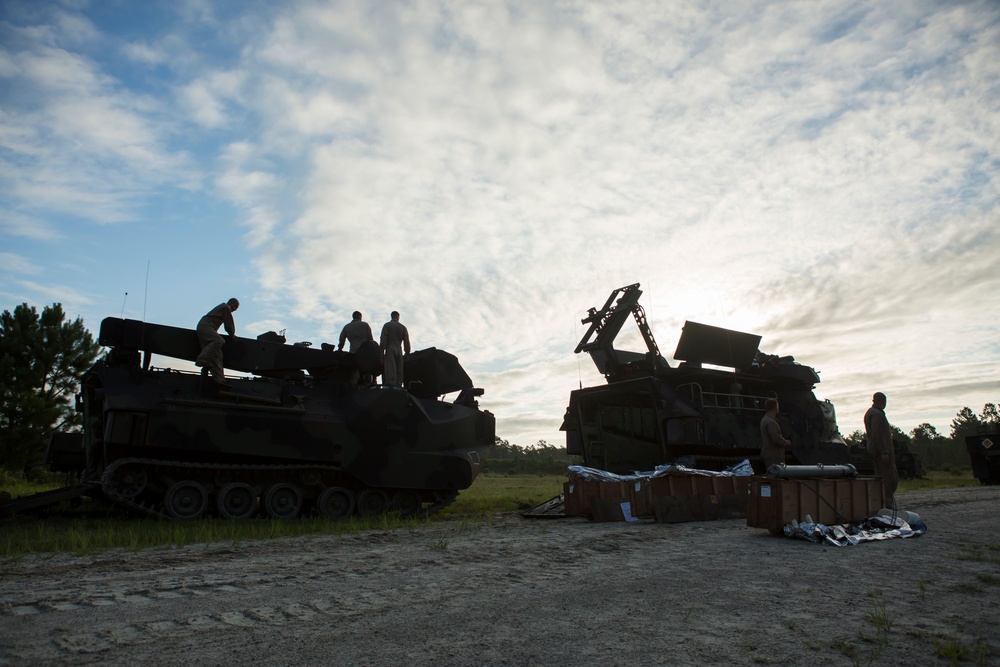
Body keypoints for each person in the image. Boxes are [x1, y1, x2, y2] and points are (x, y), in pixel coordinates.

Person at [195, 298, 239, 387]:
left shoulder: (223, 308)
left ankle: (220, 379)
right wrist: (232, 335)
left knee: (217, 355)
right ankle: (202, 359)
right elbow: (228, 324)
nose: (235, 309)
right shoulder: (226, 308)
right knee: (219, 341)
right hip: (205, 327)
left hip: (207, 328)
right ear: (231, 303)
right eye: (235, 306)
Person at [865, 391, 898, 503]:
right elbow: (877, 433)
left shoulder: (873, 413)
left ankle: (883, 501)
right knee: (888, 479)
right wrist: (884, 451)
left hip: (877, 450)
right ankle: (886, 503)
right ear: (882, 401)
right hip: (880, 452)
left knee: (884, 477)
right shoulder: (876, 414)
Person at [380, 311, 411, 387]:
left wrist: (381, 352)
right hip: (399, 348)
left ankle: (392, 386)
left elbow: (383, 340)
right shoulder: (403, 327)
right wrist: (407, 352)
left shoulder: (387, 325)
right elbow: (406, 341)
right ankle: (399, 385)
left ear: (391, 316)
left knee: (390, 369)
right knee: (399, 369)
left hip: (390, 348)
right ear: (398, 317)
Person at [759, 398, 791, 471]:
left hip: (768, 454)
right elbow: (776, 440)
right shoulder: (771, 422)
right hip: (773, 455)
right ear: (775, 407)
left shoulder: (765, 419)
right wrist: (786, 442)